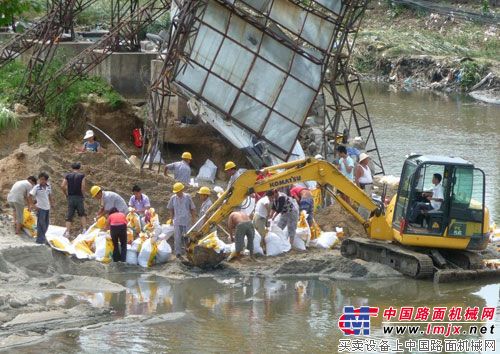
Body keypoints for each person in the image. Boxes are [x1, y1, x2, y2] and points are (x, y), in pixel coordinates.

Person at [167, 182, 196, 258]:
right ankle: (178, 253)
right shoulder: (173, 198)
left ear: (182, 190)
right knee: (177, 237)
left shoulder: (187, 197)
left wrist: (193, 219)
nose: (177, 193)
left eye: (178, 191)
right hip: (177, 220)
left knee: (188, 237)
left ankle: (189, 252)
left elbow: (192, 208)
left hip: (186, 220)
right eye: (176, 192)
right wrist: (171, 218)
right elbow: (170, 208)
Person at [61, 162, 87, 237]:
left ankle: (67, 232)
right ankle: (84, 230)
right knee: (82, 214)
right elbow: (83, 186)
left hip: (71, 197)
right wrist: (83, 195)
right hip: (79, 197)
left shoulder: (68, 176)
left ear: (72, 168)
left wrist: (66, 194)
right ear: (79, 168)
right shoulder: (82, 176)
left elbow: (62, 186)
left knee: (69, 215)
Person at [28, 172, 54, 244]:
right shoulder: (37, 187)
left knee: (46, 224)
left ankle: (42, 237)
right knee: (41, 224)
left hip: (47, 208)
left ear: (46, 180)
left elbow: (49, 195)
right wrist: (33, 206)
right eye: (40, 179)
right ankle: (40, 240)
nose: (42, 181)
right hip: (40, 208)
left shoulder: (48, 186)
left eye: (43, 179)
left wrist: (52, 203)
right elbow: (30, 196)